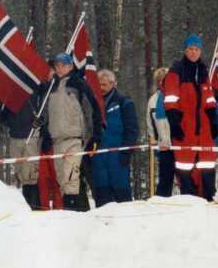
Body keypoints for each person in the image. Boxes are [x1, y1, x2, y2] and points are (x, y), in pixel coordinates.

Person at [43, 53, 103, 211]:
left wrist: (95, 137)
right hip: (57, 141)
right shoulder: (51, 87)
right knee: (63, 181)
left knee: (71, 179)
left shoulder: (78, 84)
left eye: (63, 65)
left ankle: (75, 215)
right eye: (57, 65)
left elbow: (93, 110)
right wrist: (45, 134)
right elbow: (46, 115)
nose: (59, 68)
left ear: (70, 66)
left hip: (74, 139)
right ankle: (80, 213)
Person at [163, 34, 218, 201]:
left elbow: (209, 99)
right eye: (190, 49)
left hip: (204, 129)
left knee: (207, 163)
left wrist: (213, 119)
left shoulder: (203, 71)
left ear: (200, 51)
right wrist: (174, 123)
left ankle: (208, 197)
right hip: (184, 127)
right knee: (185, 165)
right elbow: (170, 99)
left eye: (197, 49)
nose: (193, 52)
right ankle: (189, 198)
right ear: (185, 50)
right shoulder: (176, 70)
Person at [91, 69, 138, 207]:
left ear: (113, 84)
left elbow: (132, 129)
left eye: (104, 85)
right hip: (99, 157)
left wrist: (126, 151)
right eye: (99, 85)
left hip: (118, 156)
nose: (101, 88)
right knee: (102, 197)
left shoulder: (124, 102)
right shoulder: (94, 103)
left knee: (122, 197)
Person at [0, 89, 45, 210]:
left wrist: (41, 119)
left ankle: (35, 208)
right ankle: (28, 208)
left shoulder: (36, 86)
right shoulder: (11, 88)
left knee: (30, 175)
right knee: (22, 175)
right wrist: (3, 116)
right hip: (15, 135)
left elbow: (45, 107)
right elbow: (4, 114)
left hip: (31, 134)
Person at [146, 67, 174, 197]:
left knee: (184, 178)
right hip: (163, 146)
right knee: (165, 180)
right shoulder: (153, 100)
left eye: (166, 79)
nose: (163, 82)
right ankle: (163, 203)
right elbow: (150, 124)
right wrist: (155, 142)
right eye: (160, 80)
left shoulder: (177, 97)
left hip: (180, 144)